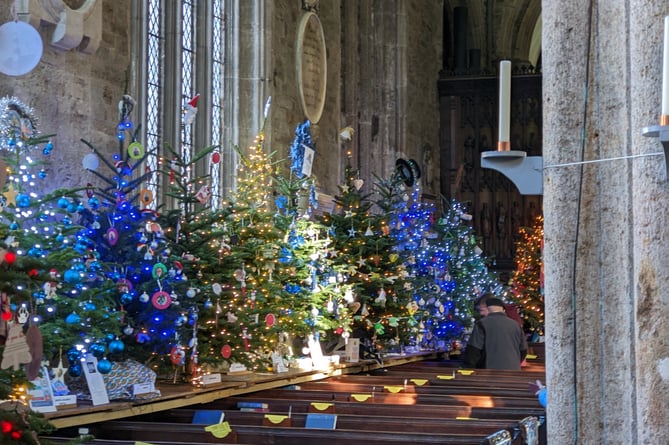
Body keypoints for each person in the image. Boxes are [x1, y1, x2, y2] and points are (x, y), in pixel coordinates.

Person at [463, 296, 528, 370]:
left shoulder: (482, 324)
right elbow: (523, 350)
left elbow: (473, 351)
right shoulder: (515, 324)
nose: (480, 313)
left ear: (488, 308)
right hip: (513, 371)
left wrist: (468, 369)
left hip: (489, 372)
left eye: (481, 310)